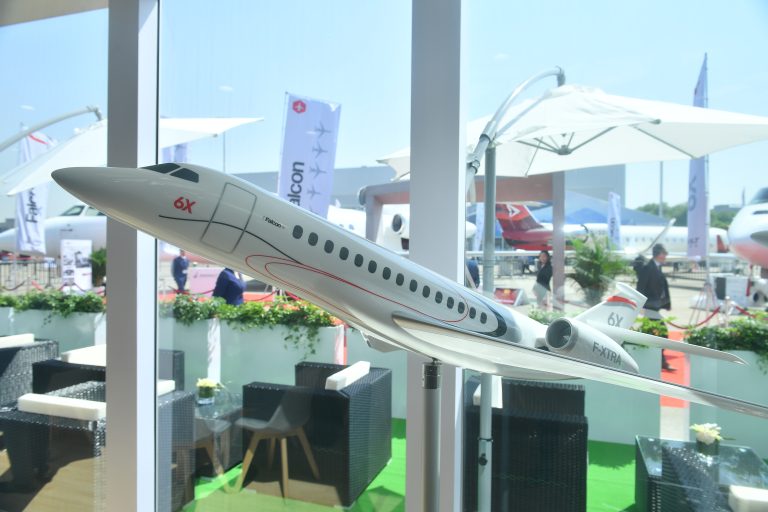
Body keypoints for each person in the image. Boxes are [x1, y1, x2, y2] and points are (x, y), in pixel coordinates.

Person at [636, 243, 675, 371]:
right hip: (649, 307)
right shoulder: (648, 268)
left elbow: (662, 287)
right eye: (664, 254)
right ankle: (660, 361)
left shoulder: (657, 267)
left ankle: (655, 360)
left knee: (650, 333)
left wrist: (666, 304)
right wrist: (640, 305)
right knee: (662, 333)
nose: (665, 256)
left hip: (654, 307)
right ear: (658, 254)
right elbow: (641, 286)